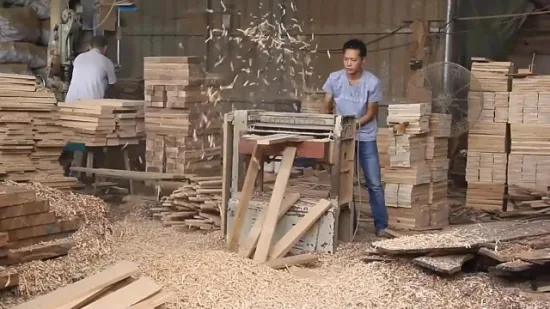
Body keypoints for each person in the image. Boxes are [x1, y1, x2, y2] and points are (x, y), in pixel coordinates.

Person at [321, 38, 388, 237]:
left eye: (354, 60)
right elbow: (326, 104)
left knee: (374, 183)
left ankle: (381, 225)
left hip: (365, 137)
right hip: (342, 138)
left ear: (363, 61)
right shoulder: (334, 79)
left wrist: (353, 126)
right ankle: (347, 225)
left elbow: (371, 113)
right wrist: (327, 125)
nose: (349, 64)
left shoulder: (372, 82)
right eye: (346, 60)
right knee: (343, 182)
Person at [65, 35, 117, 102]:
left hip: (70, 102)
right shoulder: (106, 61)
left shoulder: (78, 58)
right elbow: (112, 85)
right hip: (91, 104)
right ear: (105, 48)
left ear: (90, 47)